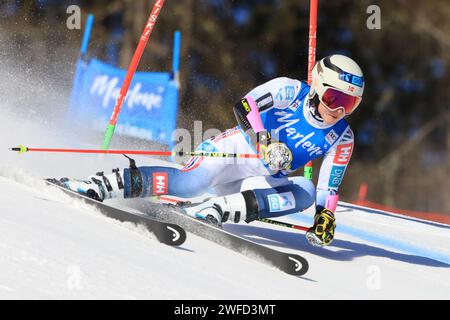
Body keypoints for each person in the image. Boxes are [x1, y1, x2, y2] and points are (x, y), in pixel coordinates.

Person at [52, 54, 364, 247]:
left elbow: (329, 185)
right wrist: (265, 141)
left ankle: (216, 209)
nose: (338, 109)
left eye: (349, 103)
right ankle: (102, 184)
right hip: (233, 151)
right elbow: (245, 106)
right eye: (334, 98)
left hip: (257, 179)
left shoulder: (342, 137)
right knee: (190, 183)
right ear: (319, 85)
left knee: (305, 192)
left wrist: (326, 216)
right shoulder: (290, 90)